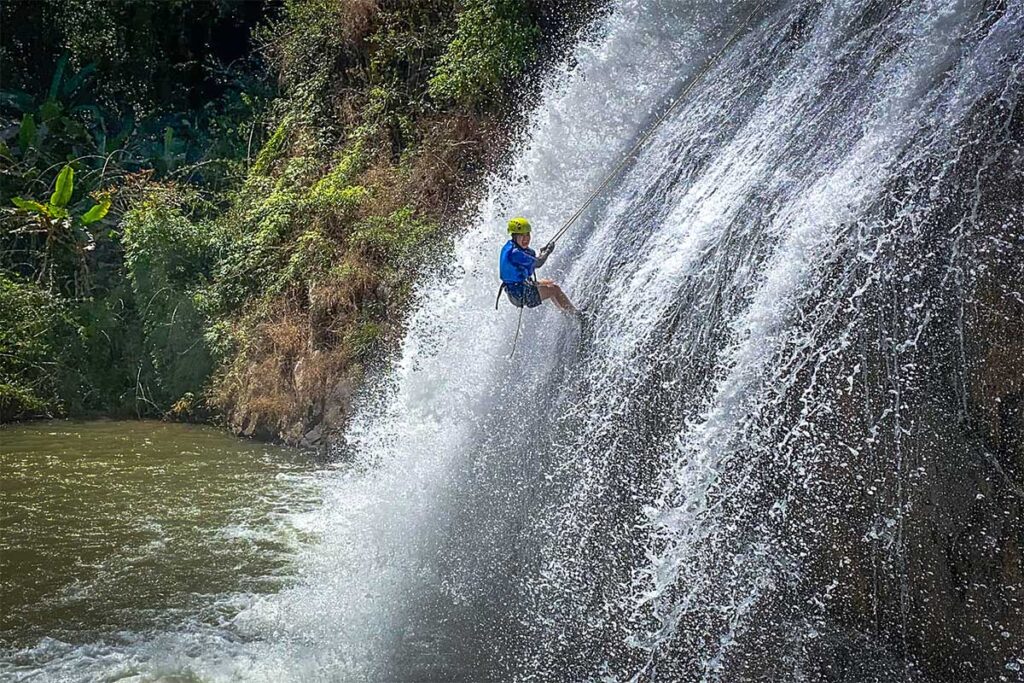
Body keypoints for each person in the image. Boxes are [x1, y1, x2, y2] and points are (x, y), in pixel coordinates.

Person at [497, 217, 578, 315]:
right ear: (514, 236)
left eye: (527, 234)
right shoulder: (515, 253)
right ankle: (576, 314)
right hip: (520, 294)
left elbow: (532, 259)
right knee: (555, 289)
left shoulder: (510, 246)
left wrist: (542, 253)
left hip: (516, 290)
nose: (526, 238)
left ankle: (564, 311)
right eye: (521, 235)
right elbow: (538, 263)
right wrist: (548, 252)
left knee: (549, 283)